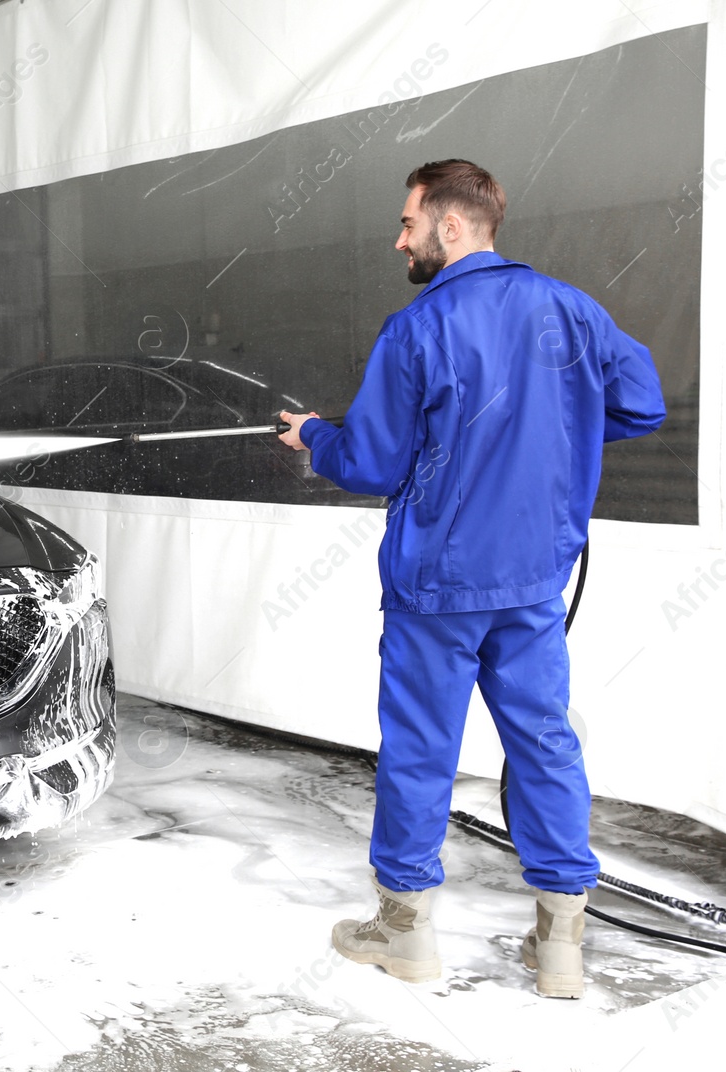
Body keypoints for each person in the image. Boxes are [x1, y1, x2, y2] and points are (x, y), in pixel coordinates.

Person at [278, 159, 666, 999]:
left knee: (421, 750)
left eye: (408, 223)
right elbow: (641, 404)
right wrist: (549, 436)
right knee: (544, 743)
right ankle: (561, 944)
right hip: (533, 581)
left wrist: (314, 435)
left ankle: (406, 934)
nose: (399, 239)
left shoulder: (417, 328)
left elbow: (376, 458)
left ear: (451, 227)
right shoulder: (572, 309)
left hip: (438, 588)